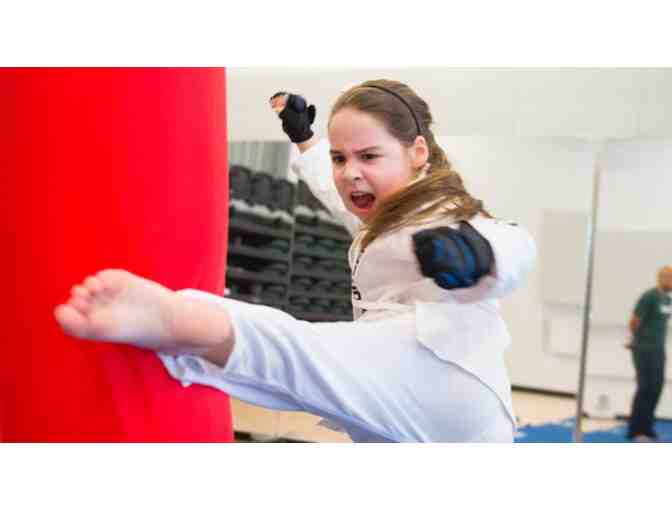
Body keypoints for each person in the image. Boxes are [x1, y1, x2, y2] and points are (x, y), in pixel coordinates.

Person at [54, 79, 537, 442]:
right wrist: (305, 140)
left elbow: (515, 242)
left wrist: (481, 257)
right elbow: (333, 190)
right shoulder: (383, 215)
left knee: (301, 352)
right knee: (299, 371)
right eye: (341, 158)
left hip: (442, 373)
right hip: (405, 406)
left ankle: (184, 320)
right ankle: (191, 327)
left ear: (417, 152)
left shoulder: (441, 214)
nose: (350, 173)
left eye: (368, 156)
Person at [626, 265, 672, 442]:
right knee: (645, 388)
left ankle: (647, 428)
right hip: (644, 349)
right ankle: (636, 430)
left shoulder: (667, 300)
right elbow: (634, 321)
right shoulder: (649, 297)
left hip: (658, 350)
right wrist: (635, 340)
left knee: (656, 388)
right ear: (662, 278)